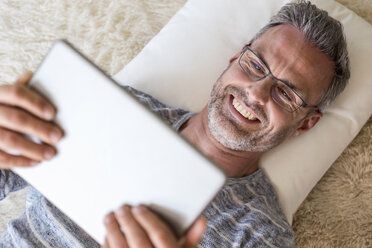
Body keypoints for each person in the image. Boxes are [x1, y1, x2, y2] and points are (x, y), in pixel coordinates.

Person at [0, 1, 349, 247]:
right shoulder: (112, 106)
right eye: (256, 66)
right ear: (233, 60)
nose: (256, 93)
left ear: (306, 124)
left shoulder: (260, 235)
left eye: (286, 93)